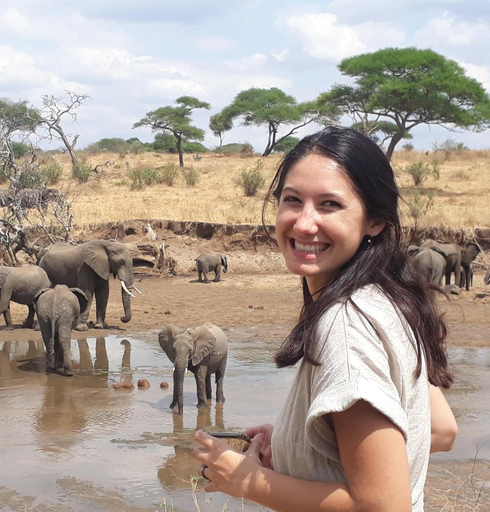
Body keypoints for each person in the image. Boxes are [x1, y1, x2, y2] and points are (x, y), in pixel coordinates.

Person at [192, 127, 457, 511]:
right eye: (293, 200)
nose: (303, 223)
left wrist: (247, 481)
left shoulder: (346, 327)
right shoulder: (391, 300)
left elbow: (384, 507)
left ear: (375, 221)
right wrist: (294, 441)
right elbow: (440, 429)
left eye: (330, 204)